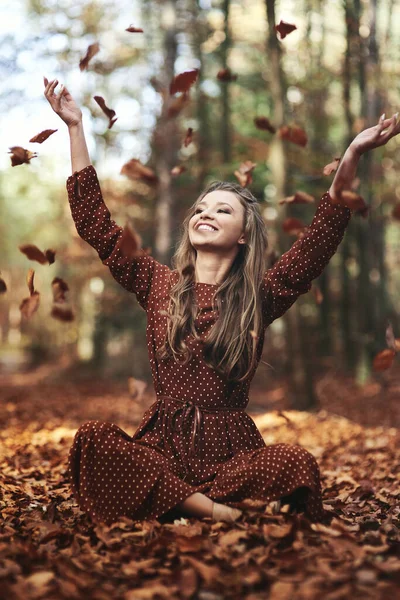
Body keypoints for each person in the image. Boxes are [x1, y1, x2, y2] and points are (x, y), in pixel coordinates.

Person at [44, 76, 399, 526]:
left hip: (231, 459)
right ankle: (216, 513)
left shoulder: (260, 296)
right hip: (162, 453)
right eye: (201, 208)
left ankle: (187, 504)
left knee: (295, 462)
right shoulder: (157, 282)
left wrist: (350, 156)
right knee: (94, 439)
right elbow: (96, 223)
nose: (205, 213)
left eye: (223, 210)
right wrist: (76, 127)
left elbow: (320, 236)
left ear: (245, 234)